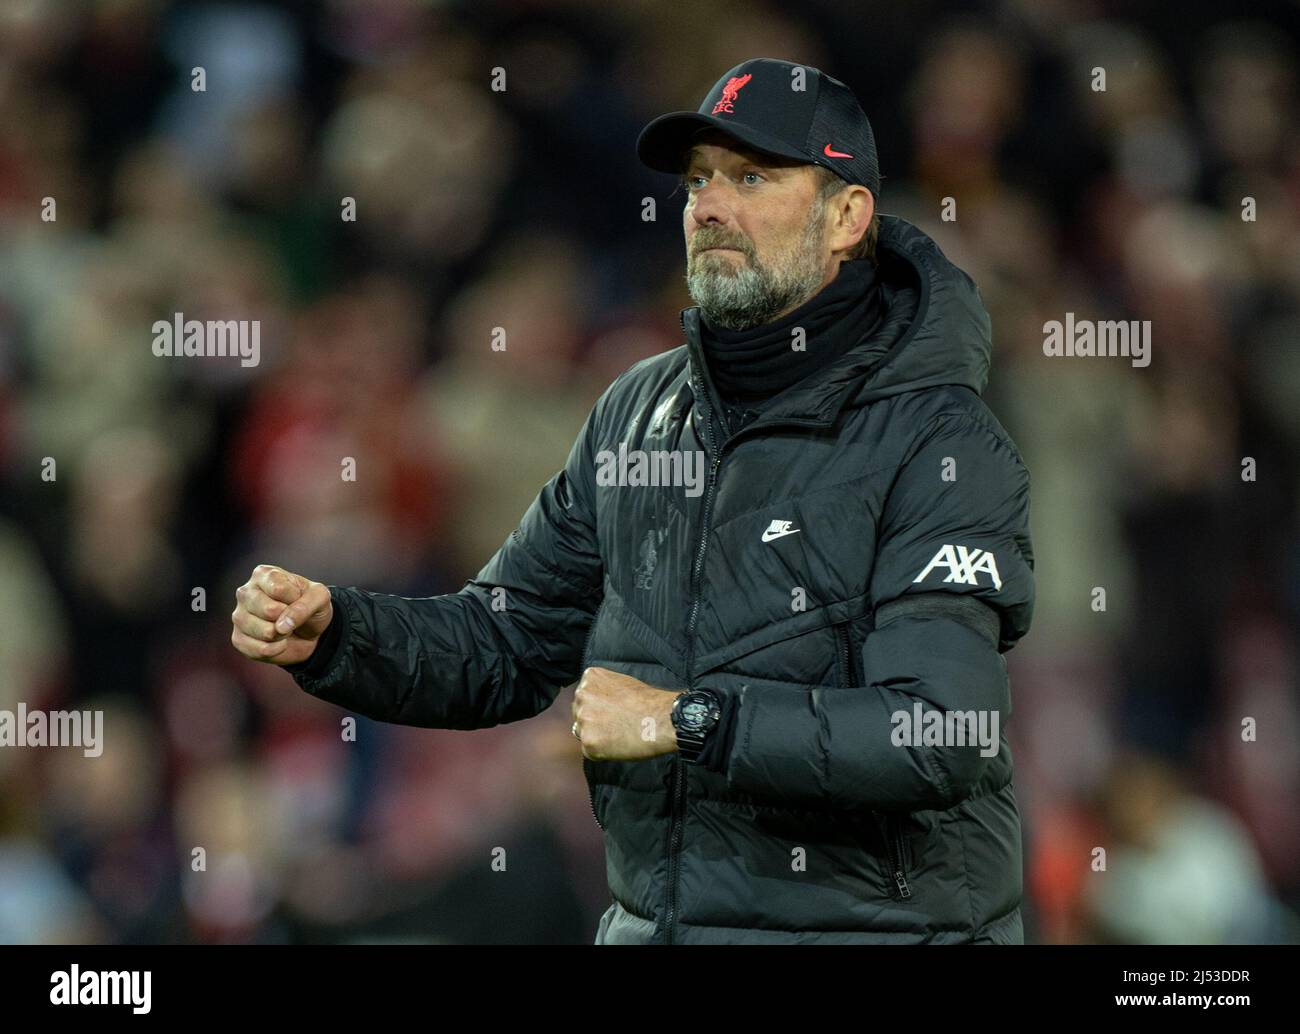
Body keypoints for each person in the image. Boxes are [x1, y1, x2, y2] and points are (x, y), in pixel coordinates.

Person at [231, 57, 1035, 944]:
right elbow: (509, 638)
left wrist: (681, 719)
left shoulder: (938, 439)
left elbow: (938, 732)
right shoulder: (638, 415)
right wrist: (341, 632)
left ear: (847, 216)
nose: (710, 207)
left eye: (752, 177)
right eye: (698, 182)